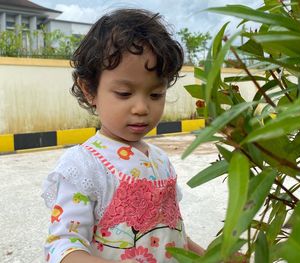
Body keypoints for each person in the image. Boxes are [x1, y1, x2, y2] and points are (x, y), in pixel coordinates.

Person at [41, 8, 205, 263]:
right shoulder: (83, 166)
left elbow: (175, 237)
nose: (141, 108)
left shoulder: (161, 162)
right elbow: (63, 248)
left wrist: (213, 257)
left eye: (155, 95)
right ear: (89, 90)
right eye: (124, 94)